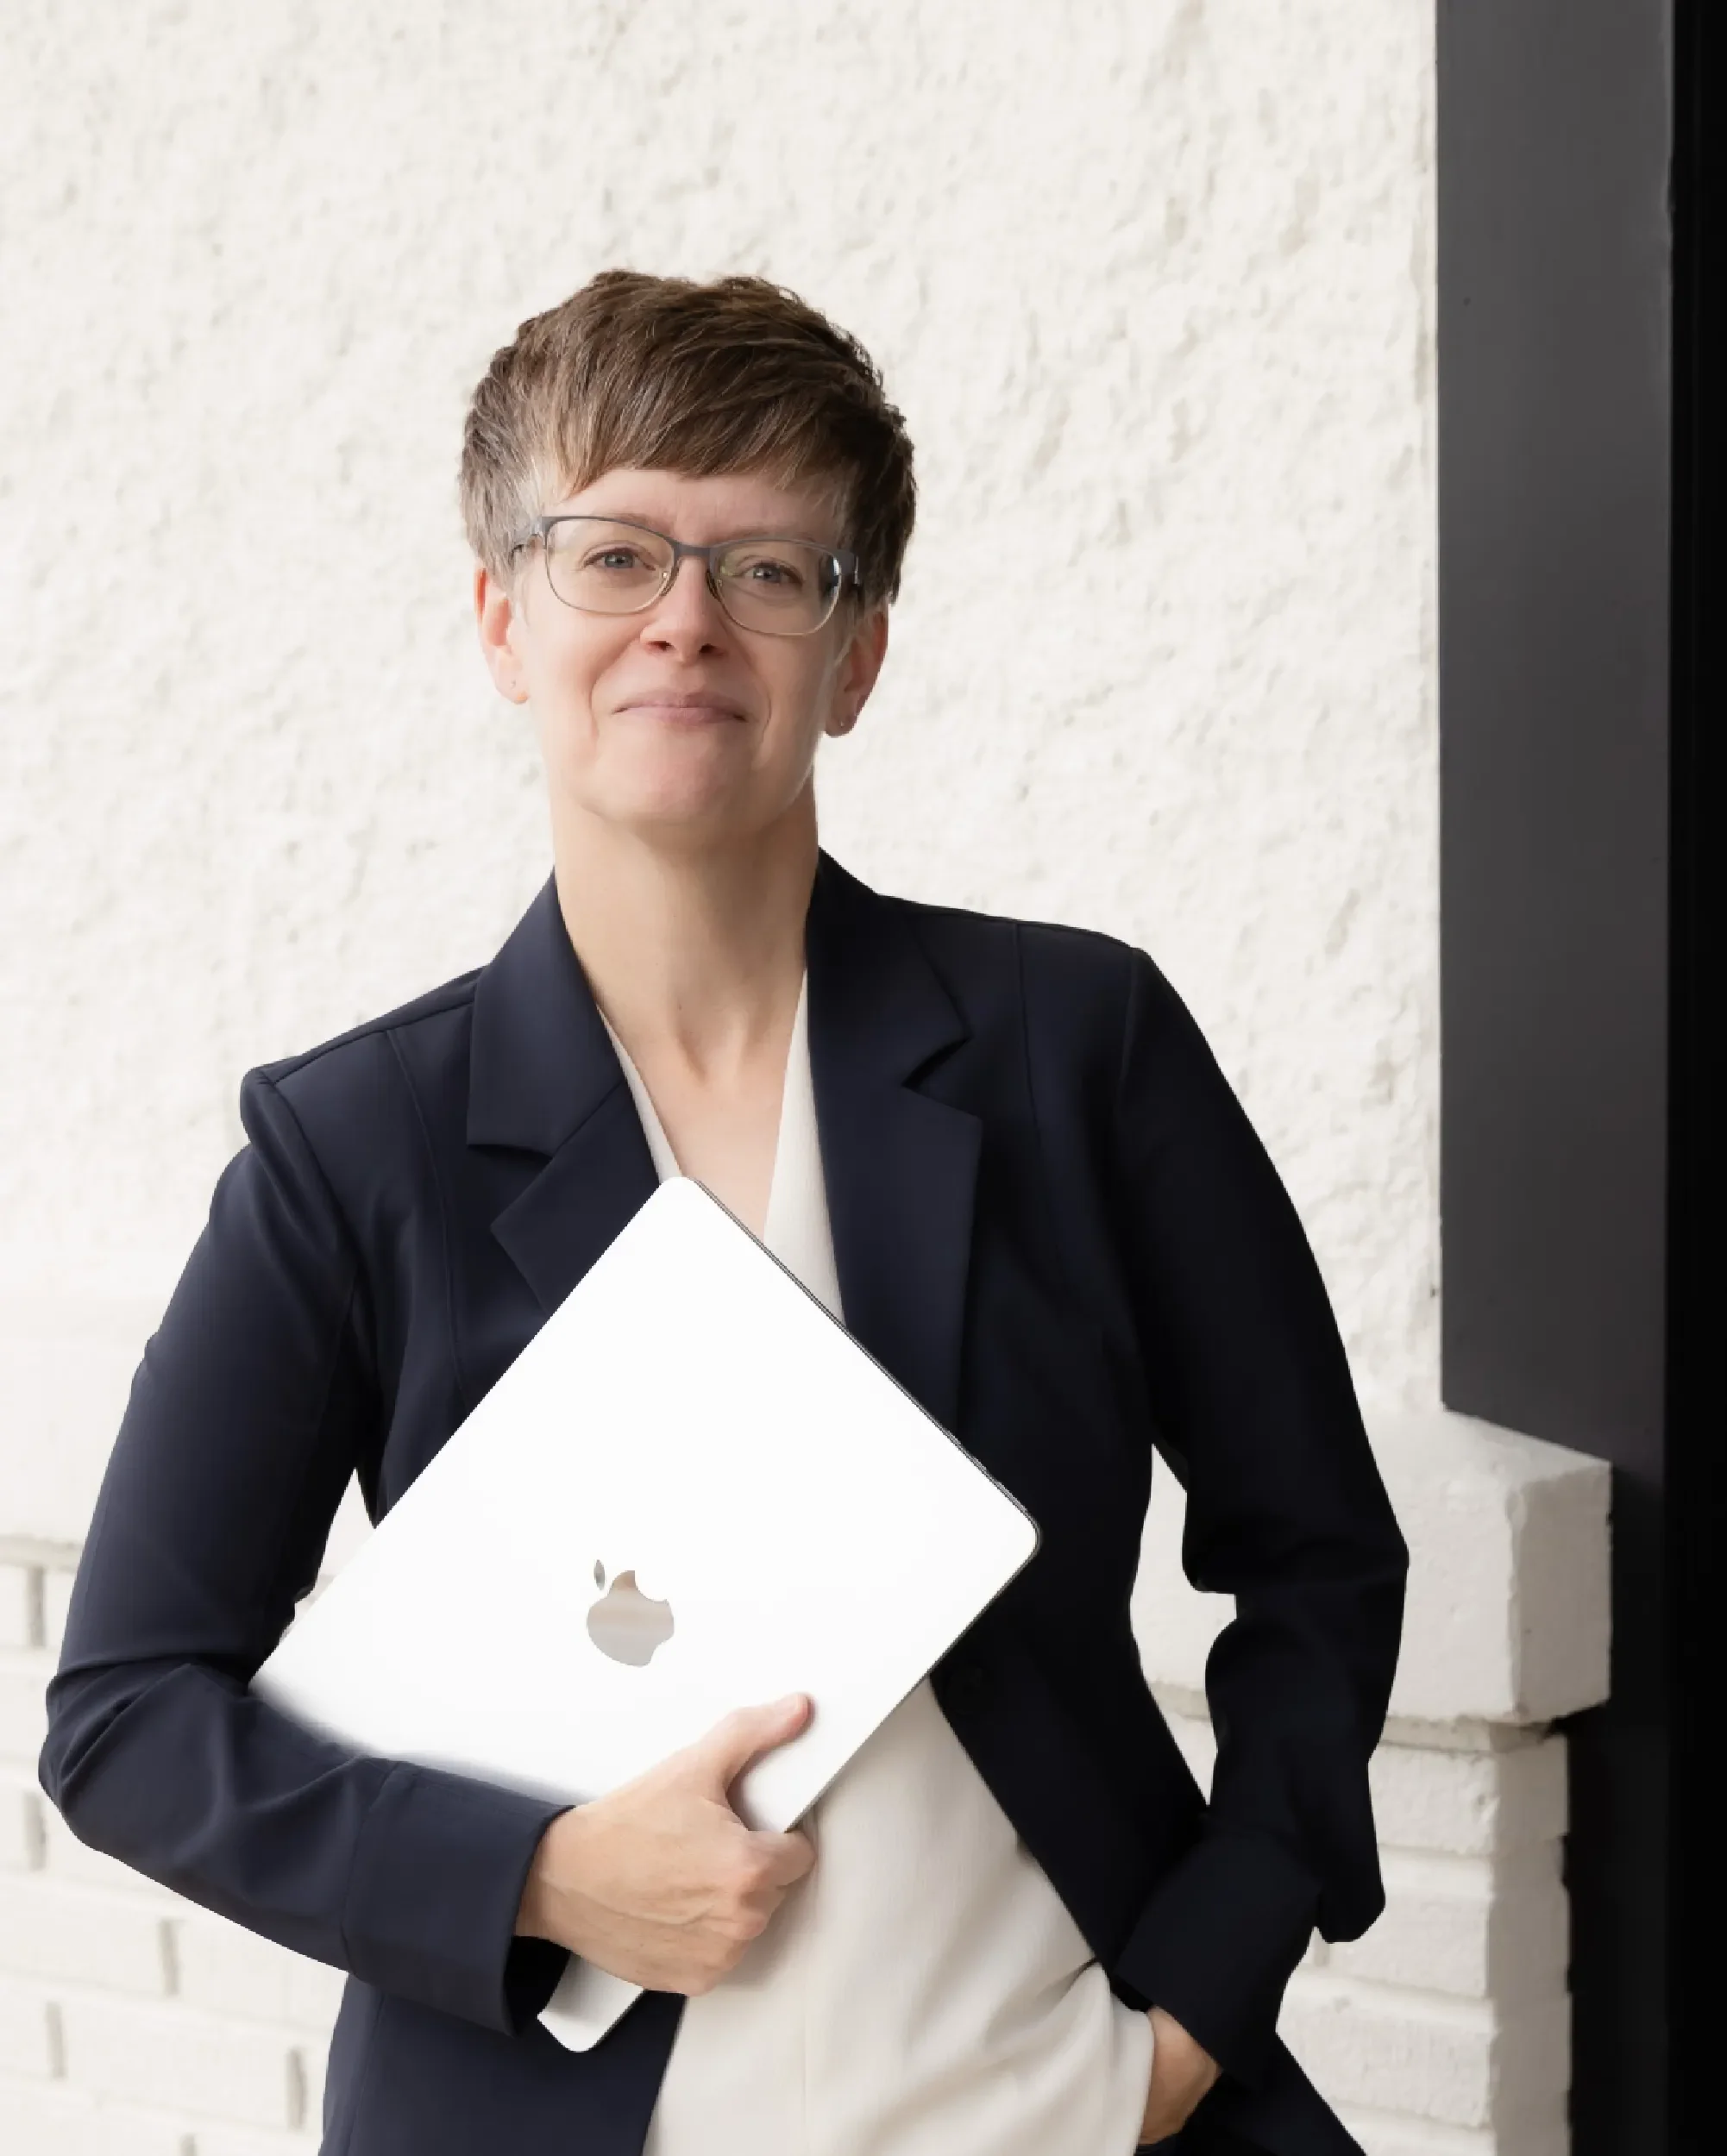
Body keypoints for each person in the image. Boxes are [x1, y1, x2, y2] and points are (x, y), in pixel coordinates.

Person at [40, 270, 1408, 2156]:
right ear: (501, 617)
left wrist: (1200, 1995)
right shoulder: (350, 1148)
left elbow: (1318, 1554)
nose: (686, 622)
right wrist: (535, 1874)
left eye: (769, 568)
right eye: (615, 553)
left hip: (1078, 2112)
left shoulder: (1076, 1050)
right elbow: (125, 1716)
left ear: (854, 652)